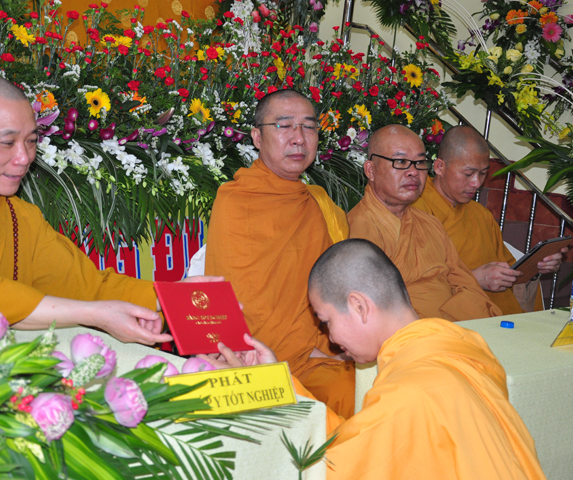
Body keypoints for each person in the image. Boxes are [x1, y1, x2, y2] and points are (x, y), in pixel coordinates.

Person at [0, 73, 216, 344]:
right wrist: (95, 314)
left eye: (31, 141)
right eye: (7, 143)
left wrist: (172, 297)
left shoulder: (21, 219)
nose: (23, 158)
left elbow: (88, 286)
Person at [203, 239, 546, 480]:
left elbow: (330, 466)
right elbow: (360, 443)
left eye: (326, 321)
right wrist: (272, 379)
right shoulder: (462, 348)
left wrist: (258, 392)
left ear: (359, 306)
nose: (331, 339)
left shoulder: (410, 392)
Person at [204, 89, 355, 417]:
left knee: (364, 392)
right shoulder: (235, 201)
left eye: (309, 127)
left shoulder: (318, 202)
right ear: (257, 137)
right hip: (253, 359)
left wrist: (331, 347)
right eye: (284, 126)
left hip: (319, 353)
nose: (299, 138)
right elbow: (242, 300)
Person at [347, 124, 502, 321]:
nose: (413, 172)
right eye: (401, 161)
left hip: (455, 328)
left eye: (420, 162)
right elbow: (372, 311)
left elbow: (466, 283)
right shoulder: (361, 228)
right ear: (371, 170)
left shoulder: (429, 223)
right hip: (413, 334)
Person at [412, 125, 566, 314]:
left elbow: (510, 270)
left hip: (498, 314)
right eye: (468, 174)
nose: (476, 183)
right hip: (449, 318)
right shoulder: (415, 209)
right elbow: (413, 281)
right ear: (439, 167)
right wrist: (474, 279)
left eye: (483, 173)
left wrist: (537, 266)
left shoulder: (481, 215)